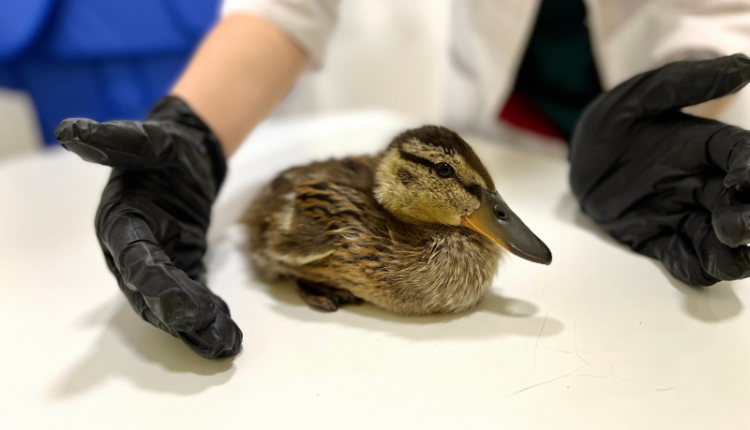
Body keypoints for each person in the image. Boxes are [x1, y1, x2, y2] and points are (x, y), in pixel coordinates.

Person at [55, 0, 750, 359]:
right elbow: (287, 6)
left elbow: (717, 14)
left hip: (623, 114)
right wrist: (193, 132)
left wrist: (676, 116)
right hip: (482, 125)